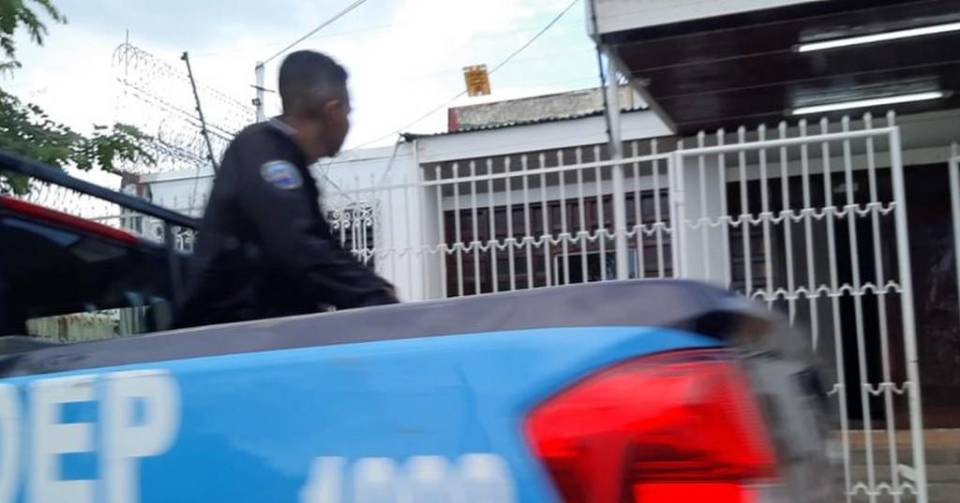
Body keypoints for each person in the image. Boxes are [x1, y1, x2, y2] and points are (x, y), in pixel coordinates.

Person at [176, 50, 397, 328]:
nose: (348, 122)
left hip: (264, 332)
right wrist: (376, 298)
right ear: (333, 110)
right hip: (225, 336)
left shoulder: (286, 160)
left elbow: (316, 249)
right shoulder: (262, 151)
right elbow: (300, 247)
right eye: (348, 112)